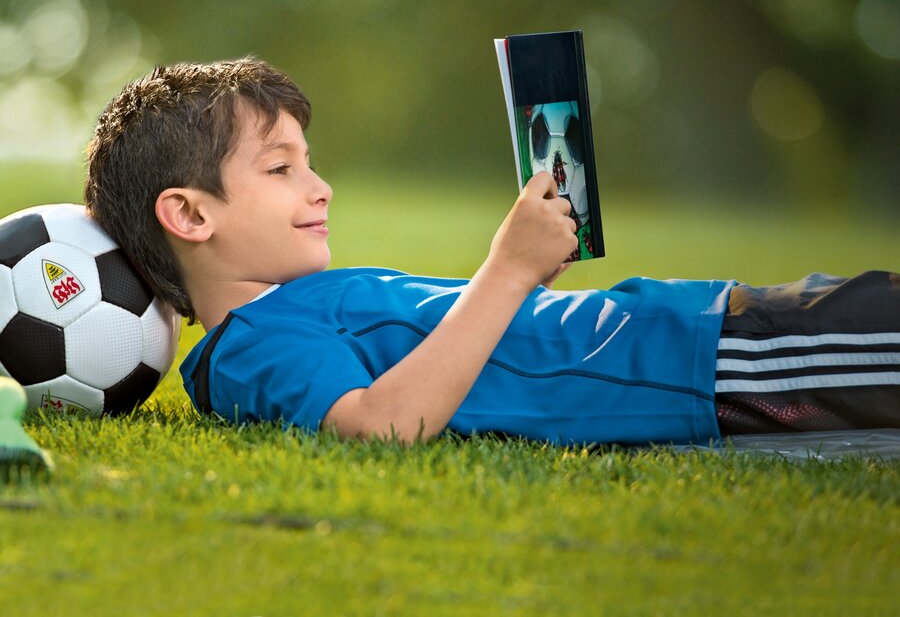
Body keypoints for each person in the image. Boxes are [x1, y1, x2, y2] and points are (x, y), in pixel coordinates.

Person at [84, 59, 900, 445]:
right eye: (281, 168)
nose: (320, 187)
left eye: (310, 162)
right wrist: (507, 270)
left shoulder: (283, 311)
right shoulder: (250, 345)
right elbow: (377, 426)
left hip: (685, 328)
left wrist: (526, 270)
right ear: (189, 214)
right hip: (701, 361)